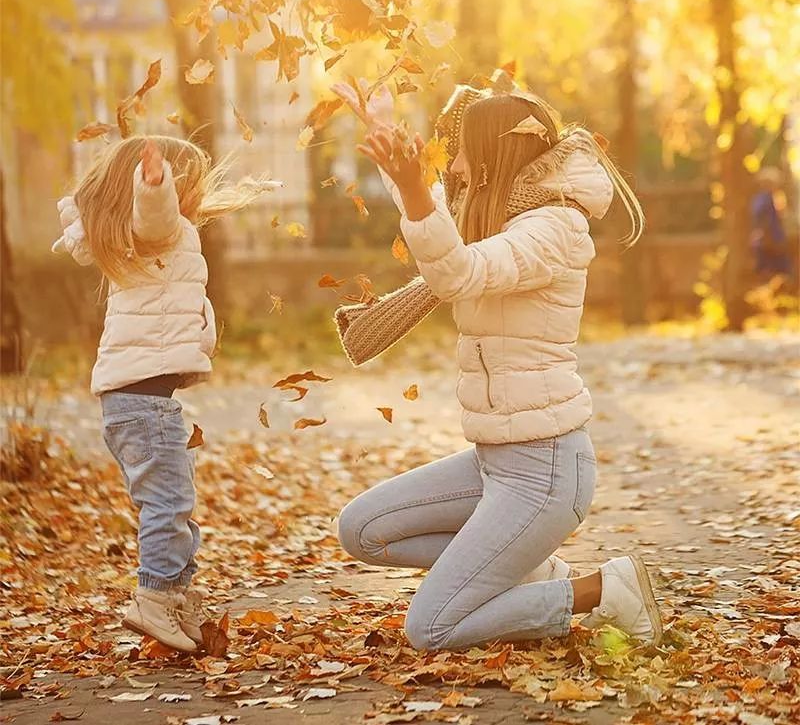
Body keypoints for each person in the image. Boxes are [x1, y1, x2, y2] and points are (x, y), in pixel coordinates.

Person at [333, 80, 663, 651]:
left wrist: (415, 192)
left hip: (546, 471)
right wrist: (386, 141)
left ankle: (604, 591)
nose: (454, 165)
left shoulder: (552, 230)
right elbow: (438, 218)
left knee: (431, 628)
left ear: (490, 159)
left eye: (462, 150)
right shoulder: (498, 222)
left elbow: (454, 270)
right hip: (494, 461)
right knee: (363, 530)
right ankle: (528, 573)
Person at [52, 136, 277, 652]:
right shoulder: (155, 228)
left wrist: (252, 187)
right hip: (144, 404)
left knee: (174, 506)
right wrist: (153, 187)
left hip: (139, 401)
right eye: (186, 184)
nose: (191, 195)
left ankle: (174, 598)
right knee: (167, 505)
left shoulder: (151, 239)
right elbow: (155, 215)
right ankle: (155, 599)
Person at [750, 167, 793, 281]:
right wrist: (768, 237)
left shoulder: (768, 198)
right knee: (771, 270)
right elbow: (763, 221)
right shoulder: (764, 199)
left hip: (771, 238)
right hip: (769, 240)